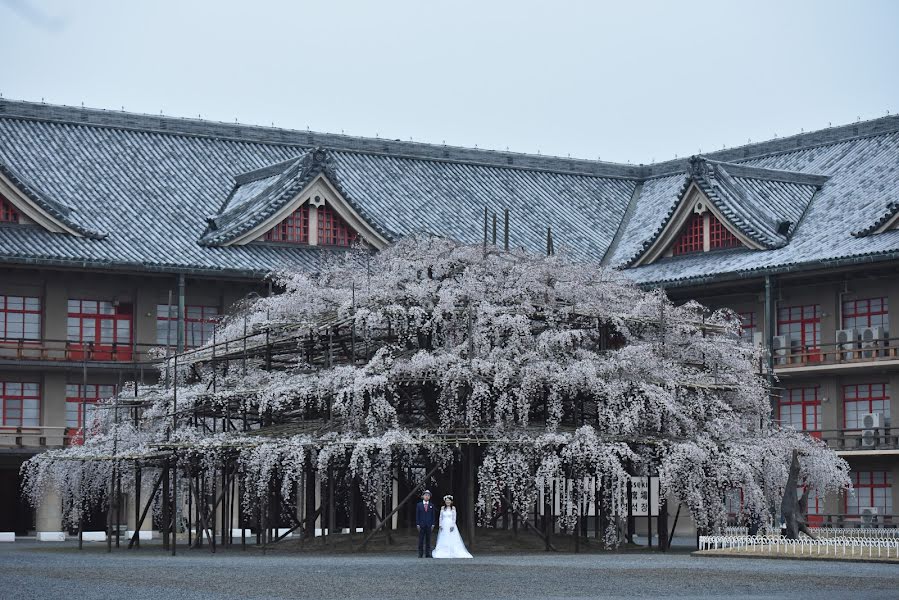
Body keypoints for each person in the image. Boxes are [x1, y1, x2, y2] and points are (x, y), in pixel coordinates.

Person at [432, 494, 473, 559]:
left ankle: (452, 550)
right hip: (444, 524)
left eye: (449, 501)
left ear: (451, 501)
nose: (448, 502)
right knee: (443, 537)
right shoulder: (442, 508)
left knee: (452, 537)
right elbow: (440, 517)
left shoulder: (453, 508)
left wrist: (452, 525)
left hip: (451, 524)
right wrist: (440, 525)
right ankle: (443, 550)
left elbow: (454, 517)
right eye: (446, 501)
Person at [415, 489, 437, 558]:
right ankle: (420, 553)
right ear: (423, 496)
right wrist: (417, 524)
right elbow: (417, 515)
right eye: (426, 495)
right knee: (421, 540)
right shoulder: (419, 505)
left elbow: (433, 515)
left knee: (428, 540)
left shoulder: (431, 505)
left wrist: (433, 524)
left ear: (430, 497)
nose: (427, 496)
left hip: (429, 525)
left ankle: (428, 553)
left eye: (428, 495)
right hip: (421, 525)